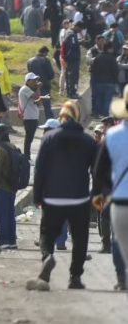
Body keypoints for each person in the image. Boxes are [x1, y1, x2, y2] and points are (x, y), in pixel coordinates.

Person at [33, 101, 97, 289]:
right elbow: (96, 170)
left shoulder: (49, 138)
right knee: (79, 238)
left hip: (52, 197)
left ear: (61, 116)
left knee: (47, 234)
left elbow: (39, 170)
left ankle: (48, 257)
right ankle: (75, 277)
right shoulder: (88, 141)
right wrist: (95, 196)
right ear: (77, 116)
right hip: (79, 198)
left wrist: (37, 196)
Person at [92, 100, 128, 292]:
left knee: (117, 240)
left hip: (119, 200)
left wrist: (107, 192)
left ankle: (122, 278)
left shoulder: (111, 137)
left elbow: (98, 172)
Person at [0, 124, 21, 249]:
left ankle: (3, 240)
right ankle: (12, 240)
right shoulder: (13, 147)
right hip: (12, 187)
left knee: (1, 214)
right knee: (10, 214)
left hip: (1, 187)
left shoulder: (0, 150)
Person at [18, 72, 44, 157]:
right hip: (29, 117)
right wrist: (38, 87)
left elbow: (37, 100)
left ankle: (27, 155)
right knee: (29, 138)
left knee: (30, 138)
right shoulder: (25, 89)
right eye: (33, 80)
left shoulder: (29, 90)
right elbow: (36, 96)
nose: (35, 82)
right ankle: (26, 155)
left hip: (33, 117)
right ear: (28, 81)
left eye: (36, 80)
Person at [26, 45, 55, 120]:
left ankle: (33, 121)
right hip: (45, 86)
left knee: (33, 105)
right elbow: (51, 74)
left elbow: (29, 74)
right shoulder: (46, 60)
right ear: (45, 53)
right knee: (47, 106)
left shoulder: (30, 61)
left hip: (33, 87)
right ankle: (50, 122)